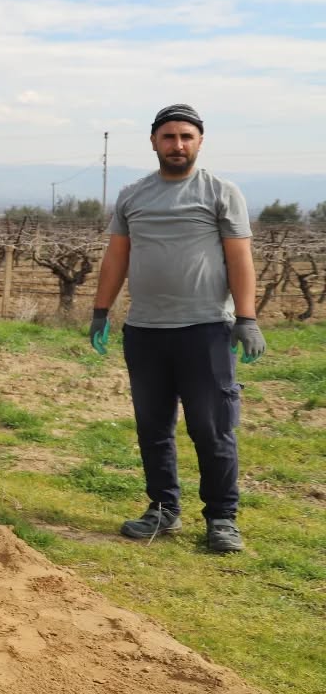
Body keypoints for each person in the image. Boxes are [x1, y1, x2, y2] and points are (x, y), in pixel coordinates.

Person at [88, 104, 262, 554]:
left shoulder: (221, 192)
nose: (177, 144)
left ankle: (222, 517)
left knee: (212, 427)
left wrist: (246, 318)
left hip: (205, 330)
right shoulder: (133, 195)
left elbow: (240, 257)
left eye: (186, 136)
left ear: (199, 141)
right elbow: (117, 257)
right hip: (145, 331)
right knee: (154, 427)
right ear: (153, 142)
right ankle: (163, 508)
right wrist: (101, 311)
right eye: (168, 136)